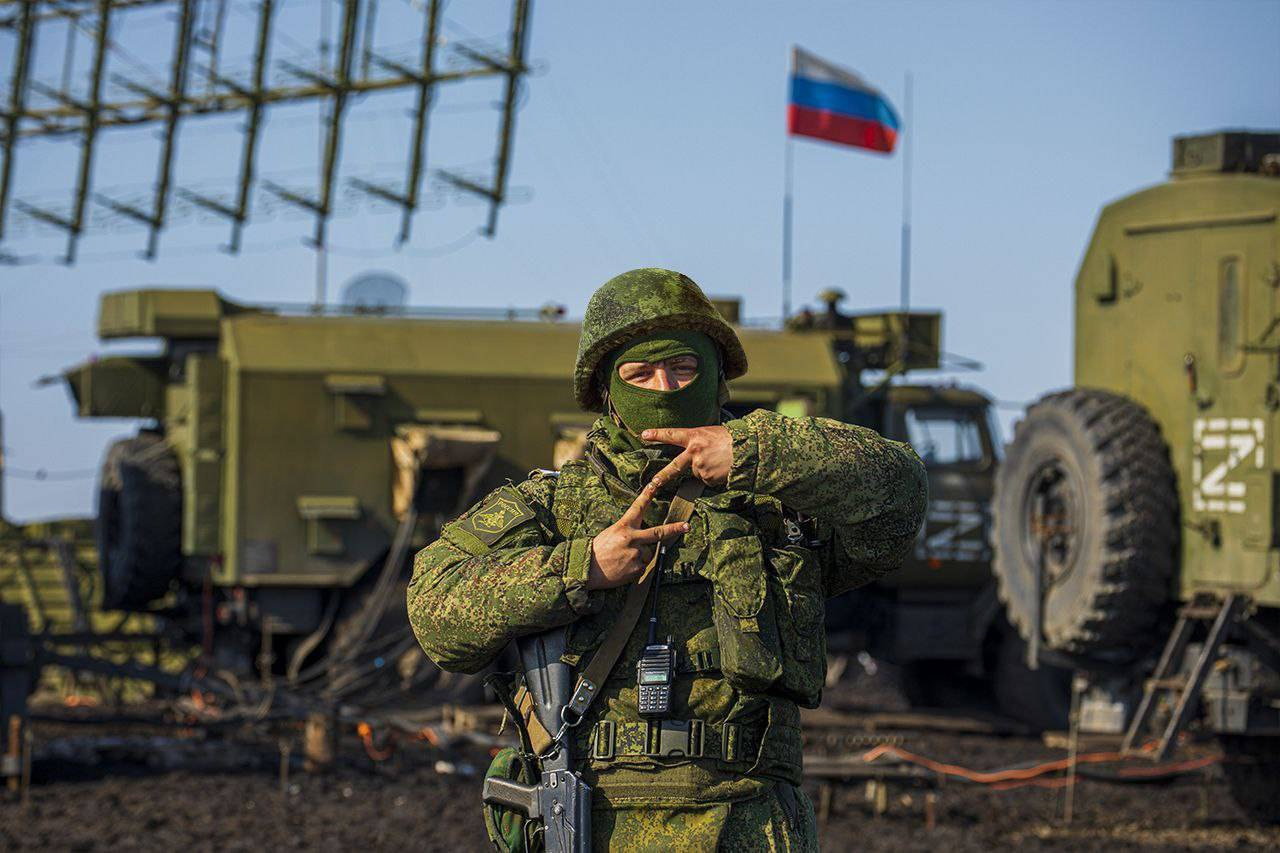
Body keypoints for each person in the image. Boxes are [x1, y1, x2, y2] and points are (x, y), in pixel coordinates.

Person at [408, 268, 928, 851]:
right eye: (640, 372)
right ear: (607, 389)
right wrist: (580, 568)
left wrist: (756, 450)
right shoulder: (552, 506)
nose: (665, 386)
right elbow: (435, 613)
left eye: (684, 368)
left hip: (746, 821)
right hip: (591, 818)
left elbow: (899, 495)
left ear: (718, 380)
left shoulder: (778, 507)